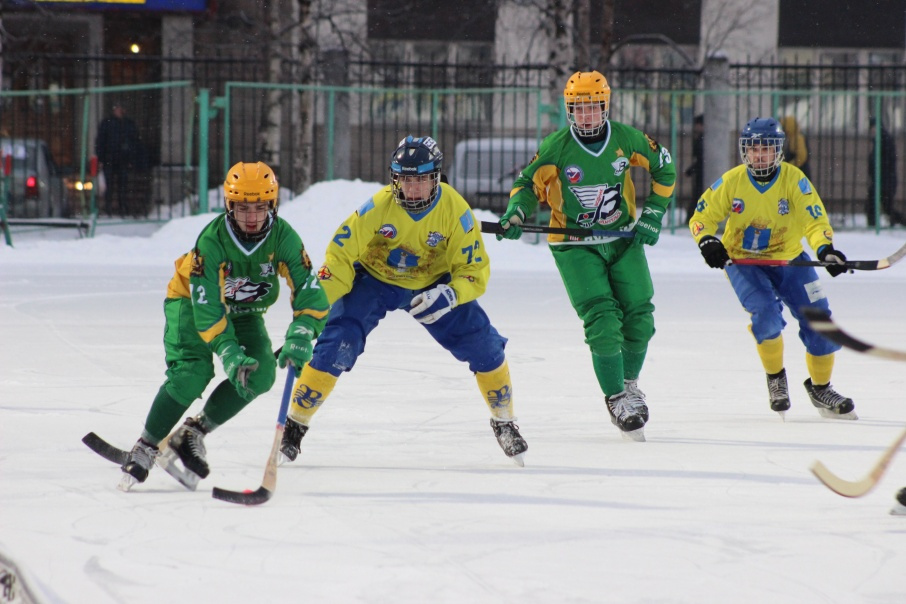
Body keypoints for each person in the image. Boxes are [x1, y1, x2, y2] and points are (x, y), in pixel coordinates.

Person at [278, 135, 528, 465]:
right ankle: (294, 424)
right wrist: (311, 316)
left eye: (422, 180)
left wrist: (452, 294)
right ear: (394, 178)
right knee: (337, 343)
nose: (413, 189)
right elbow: (338, 260)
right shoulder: (375, 209)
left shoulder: (457, 211)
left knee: (484, 345)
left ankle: (504, 420)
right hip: (374, 280)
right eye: (406, 180)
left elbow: (474, 269)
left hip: (432, 285)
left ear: (436, 178)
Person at [118, 161, 330, 490]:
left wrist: (303, 332)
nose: (251, 217)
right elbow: (208, 308)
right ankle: (146, 445)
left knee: (260, 374)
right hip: (191, 305)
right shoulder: (212, 241)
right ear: (229, 205)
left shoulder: (283, 237)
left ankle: (193, 432)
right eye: (242, 207)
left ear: (272, 204)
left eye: (260, 207)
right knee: (192, 373)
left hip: (244, 312)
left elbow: (310, 292)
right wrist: (229, 352)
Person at [496, 70, 676, 442]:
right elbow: (527, 185)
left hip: (622, 237)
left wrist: (654, 213)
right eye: (579, 110)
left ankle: (629, 385)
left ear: (606, 106)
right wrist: (516, 212)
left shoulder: (626, 138)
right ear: (568, 111)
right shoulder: (557, 147)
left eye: (594, 108)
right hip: (574, 244)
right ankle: (615, 398)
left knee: (640, 314)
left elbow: (665, 167)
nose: (587, 117)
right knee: (603, 318)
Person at [689, 117, 857, 420]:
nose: (759, 155)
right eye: (753, 149)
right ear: (744, 151)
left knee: (821, 321)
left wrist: (826, 250)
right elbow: (701, 217)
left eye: (767, 148)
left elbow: (814, 220)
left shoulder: (795, 180)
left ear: (779, 151)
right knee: (765, 316)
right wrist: (707, 242)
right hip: (743, 262)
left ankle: (821, 388)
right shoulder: (732, 181)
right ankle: (776, 378)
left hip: (790, 259)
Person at [95, 101, 143, 216]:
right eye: (117, 108)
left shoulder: (128, 124)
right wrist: (100, 158)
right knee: (109, 185)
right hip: (109, 159)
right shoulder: (107, 123)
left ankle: (123, 208)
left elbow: (134, 142)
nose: (119, 111)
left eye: (121, 108)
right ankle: (108, 208)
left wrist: (131, 159)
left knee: (123, 185)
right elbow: (100, 141)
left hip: (123, 159)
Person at [866, 117, 903, 227]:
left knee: (884, 205)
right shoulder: (880, 140)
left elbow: (884, 161)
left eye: (874, 128)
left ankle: (877, 224)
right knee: (878, 204)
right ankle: (875, 224)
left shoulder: (884, 140)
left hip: (884, 180)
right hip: (881, 179)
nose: (872, 131)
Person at [684, 114, 704, 220]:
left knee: (698, 195)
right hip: (701, 172)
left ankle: (691, 218)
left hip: (701, 173)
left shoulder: (703, 140)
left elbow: (700, 160)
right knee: (698, 195)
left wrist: (690, 171)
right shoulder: (701, 138)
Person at [779, 116, 810, 180]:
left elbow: (801, 157)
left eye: (784, 127)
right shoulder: (792, 138)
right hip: (798, 171)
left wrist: (789, 166)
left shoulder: (798, 138)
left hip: (800, 172)